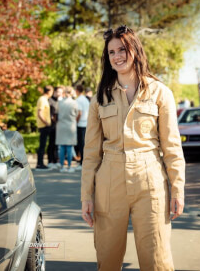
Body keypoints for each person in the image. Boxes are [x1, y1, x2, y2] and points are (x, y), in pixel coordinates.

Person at [81, 25, 185, 271]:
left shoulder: (160, 93)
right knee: (107, 257)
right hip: (109, 182)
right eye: (111, 52)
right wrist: (86, 195)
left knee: (156, 259)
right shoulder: (100, 98)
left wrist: (178, 188)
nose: (117, 56)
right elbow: (91, 153)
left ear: (135, 50)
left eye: (122, 49)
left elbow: (172, 146)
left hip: (149, 181)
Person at [56, 87, 78, 173]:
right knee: (69, 146)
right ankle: (69, 166)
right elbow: (77, 113)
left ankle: (61, 166)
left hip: (61, 125)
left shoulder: (60, 102)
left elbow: (56, 113)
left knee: (62, 146)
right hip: (71, 125)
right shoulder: (74, 102)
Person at [36, 85, 54, 169]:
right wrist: (46, 122)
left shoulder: (44, 100)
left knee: (43, 145)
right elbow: (40, 113)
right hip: (43, 126)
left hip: (45, 125)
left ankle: (41, 163)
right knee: (42, 145)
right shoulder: (42, 100)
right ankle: (40, 163)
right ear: (49, 91)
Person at [48, 86, 64, 168]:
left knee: (56, 144)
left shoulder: (60, 101)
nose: (60, 94)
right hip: (52, 126)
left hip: (58, 126)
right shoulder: (50, 101)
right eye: (59, 92)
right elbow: (51, 115)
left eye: (61, 92)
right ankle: (50, 161)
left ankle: (55, 160)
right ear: (55, 92)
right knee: (51, 143)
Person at [75, 84, 90, 170]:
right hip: (86, 123)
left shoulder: (78, 100)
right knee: (85, 143)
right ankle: (85, 161)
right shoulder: (85, 99)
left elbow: (79, 113)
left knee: (81, 143)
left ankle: (82, 162)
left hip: (80, 124)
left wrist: (76, 121)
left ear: (77, 90)